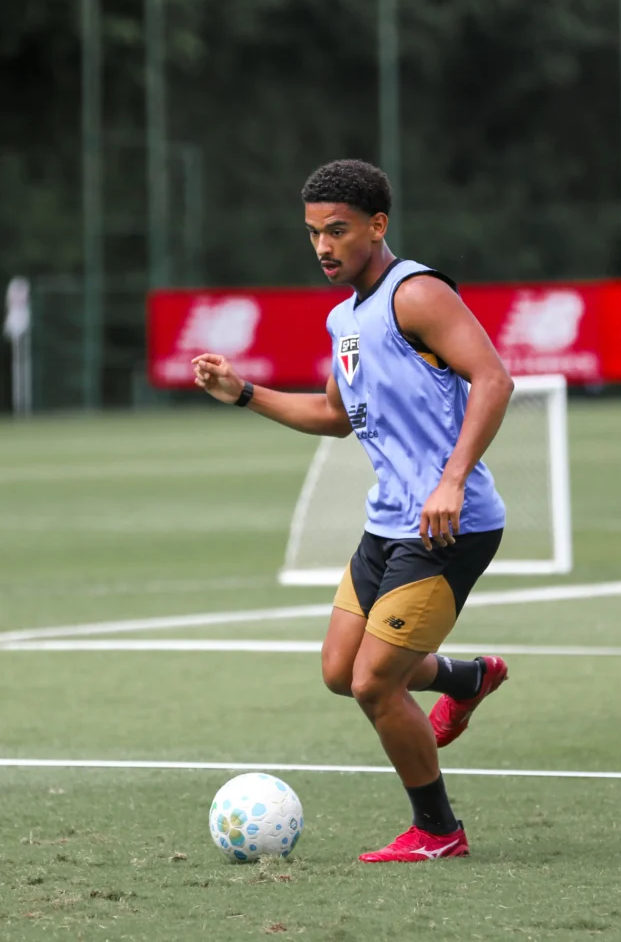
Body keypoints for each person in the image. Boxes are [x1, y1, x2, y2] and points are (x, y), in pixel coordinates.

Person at [193, 159, 514, 863]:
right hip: (387, 522)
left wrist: (452, 480)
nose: (323, 246)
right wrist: (242, 393)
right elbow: (335, 416)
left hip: (449, 524)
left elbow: (493, 379)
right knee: (340, 671)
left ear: (377, 225)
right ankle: (465, 678)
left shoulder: (416, 293)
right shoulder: (343, 319)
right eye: (313, 233)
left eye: (337, 230)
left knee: (375, 683)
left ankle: (438, 832)